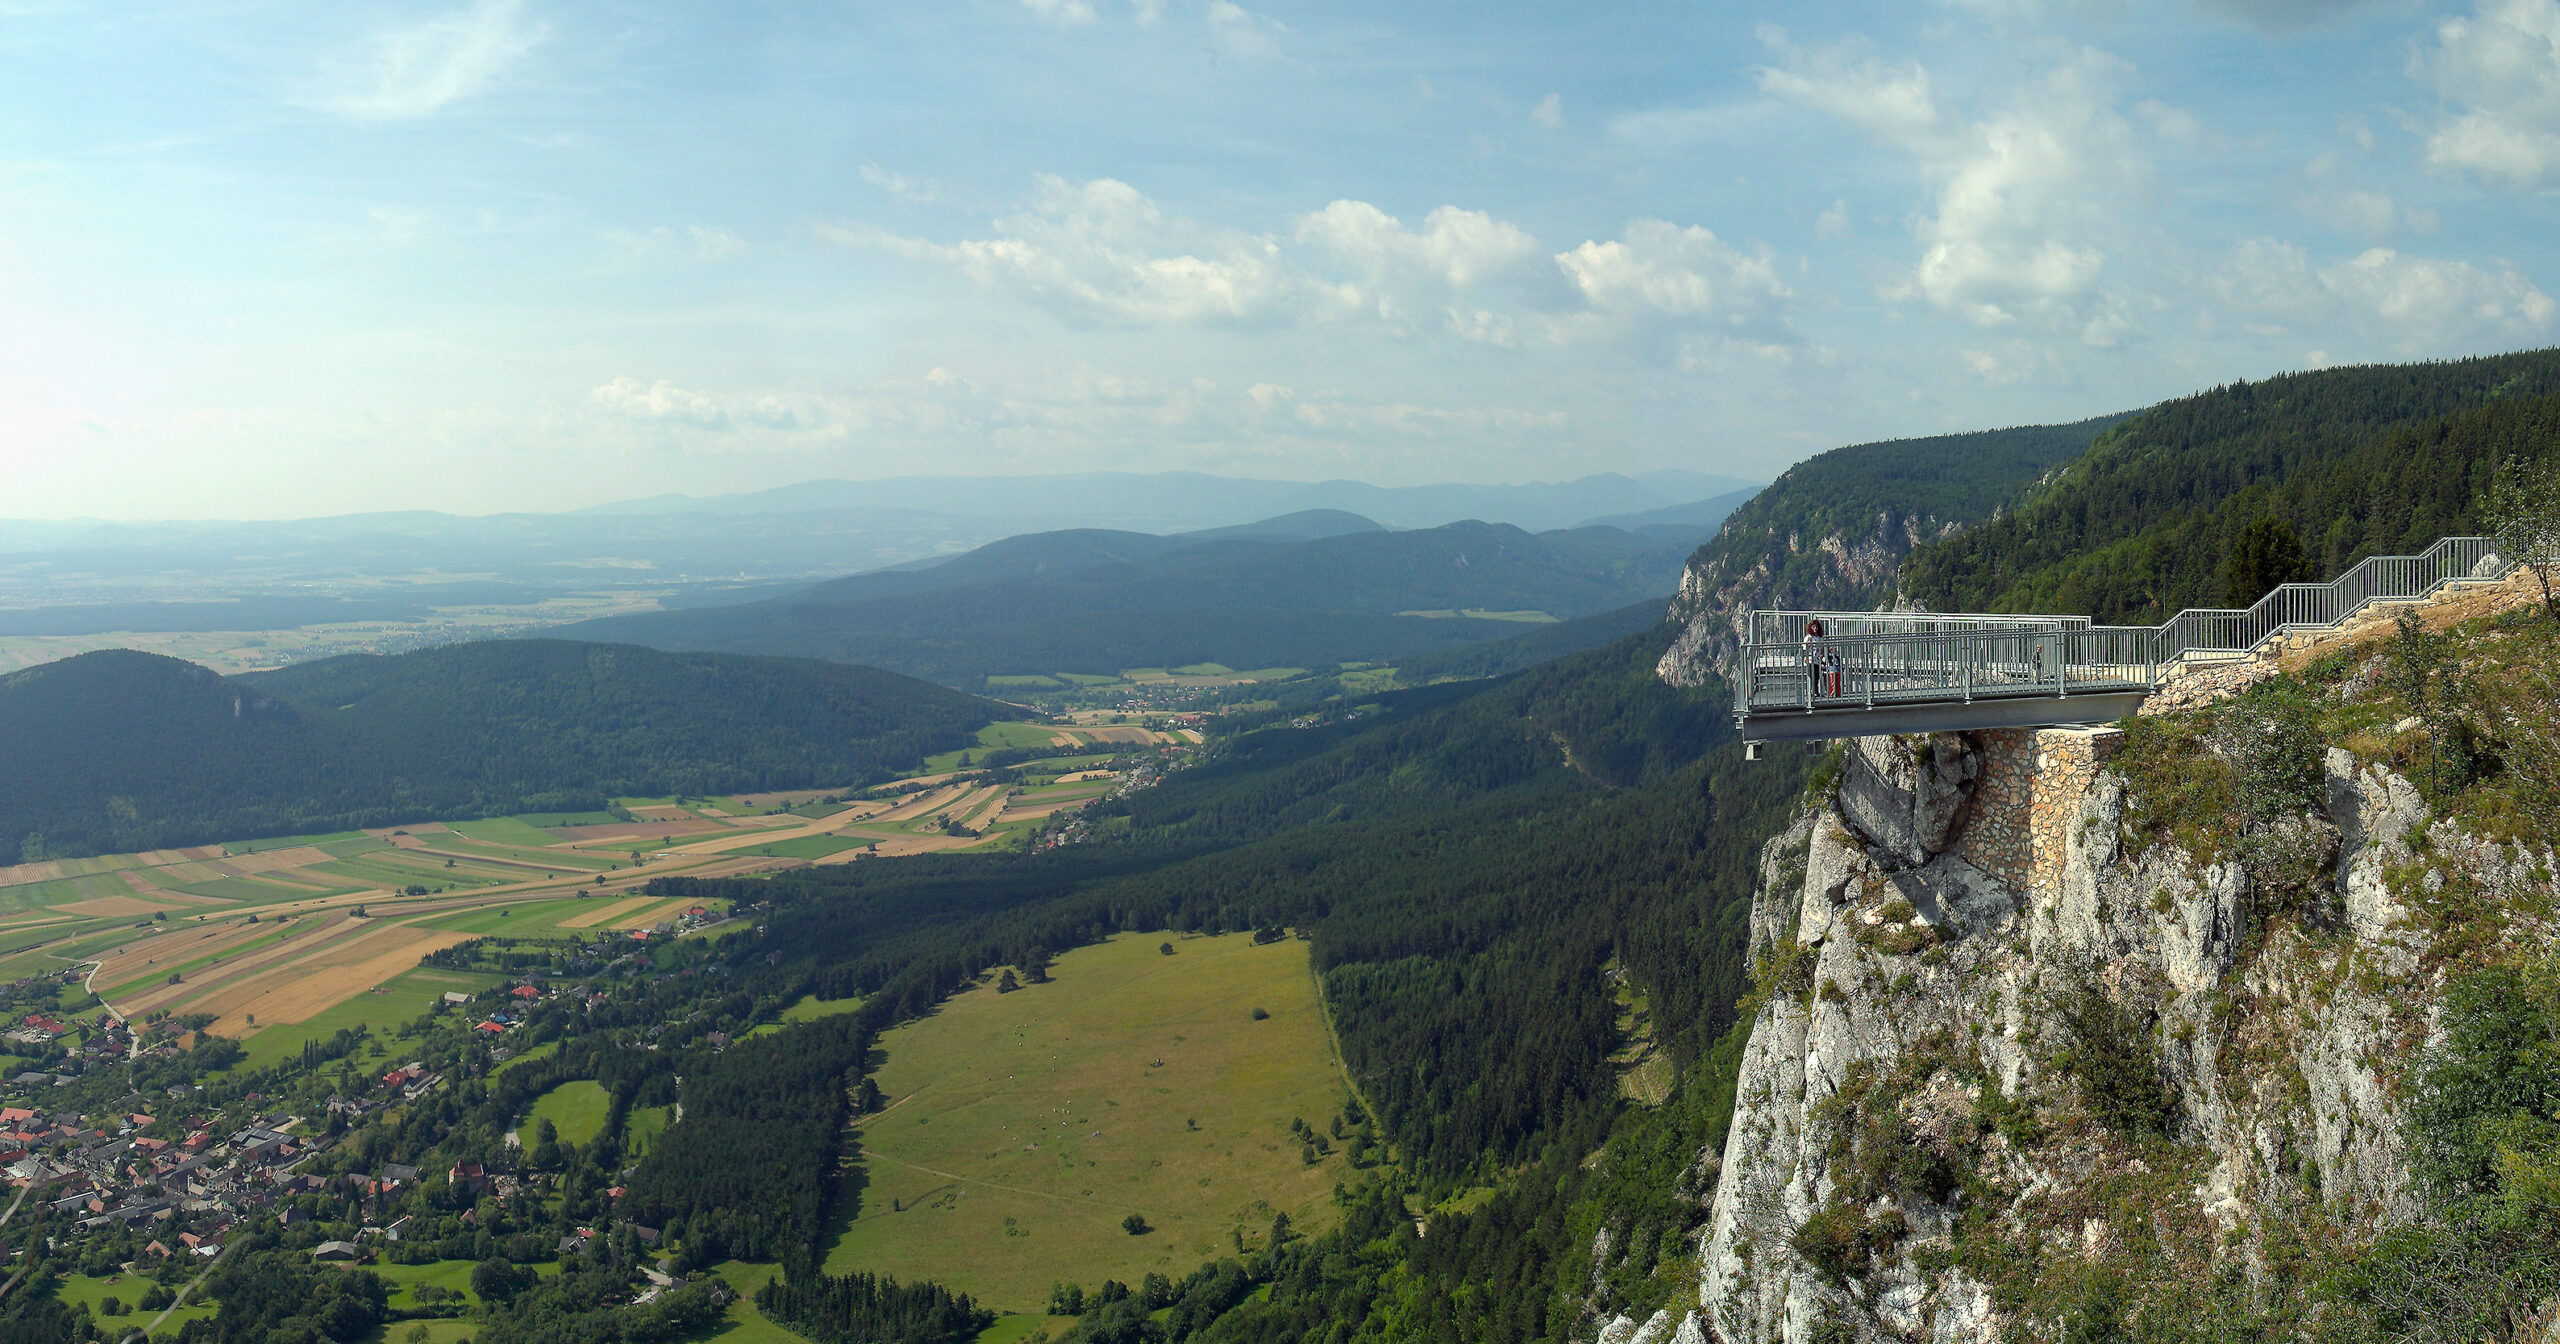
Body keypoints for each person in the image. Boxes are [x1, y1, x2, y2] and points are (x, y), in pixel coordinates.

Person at [1802, 619, 1826, 702]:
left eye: (1816, 627)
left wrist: (1822, 654)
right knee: (1811, 675)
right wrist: (1804, 656)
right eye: (1813, 627)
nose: (1815, 628)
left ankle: (1816, 691)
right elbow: (1804, 647)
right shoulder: (1809, 637)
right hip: (1810, 659)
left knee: (1817, 676)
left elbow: (1822, 646)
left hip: (1817, 659)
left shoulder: (1820, 637)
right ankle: (1812, 691)